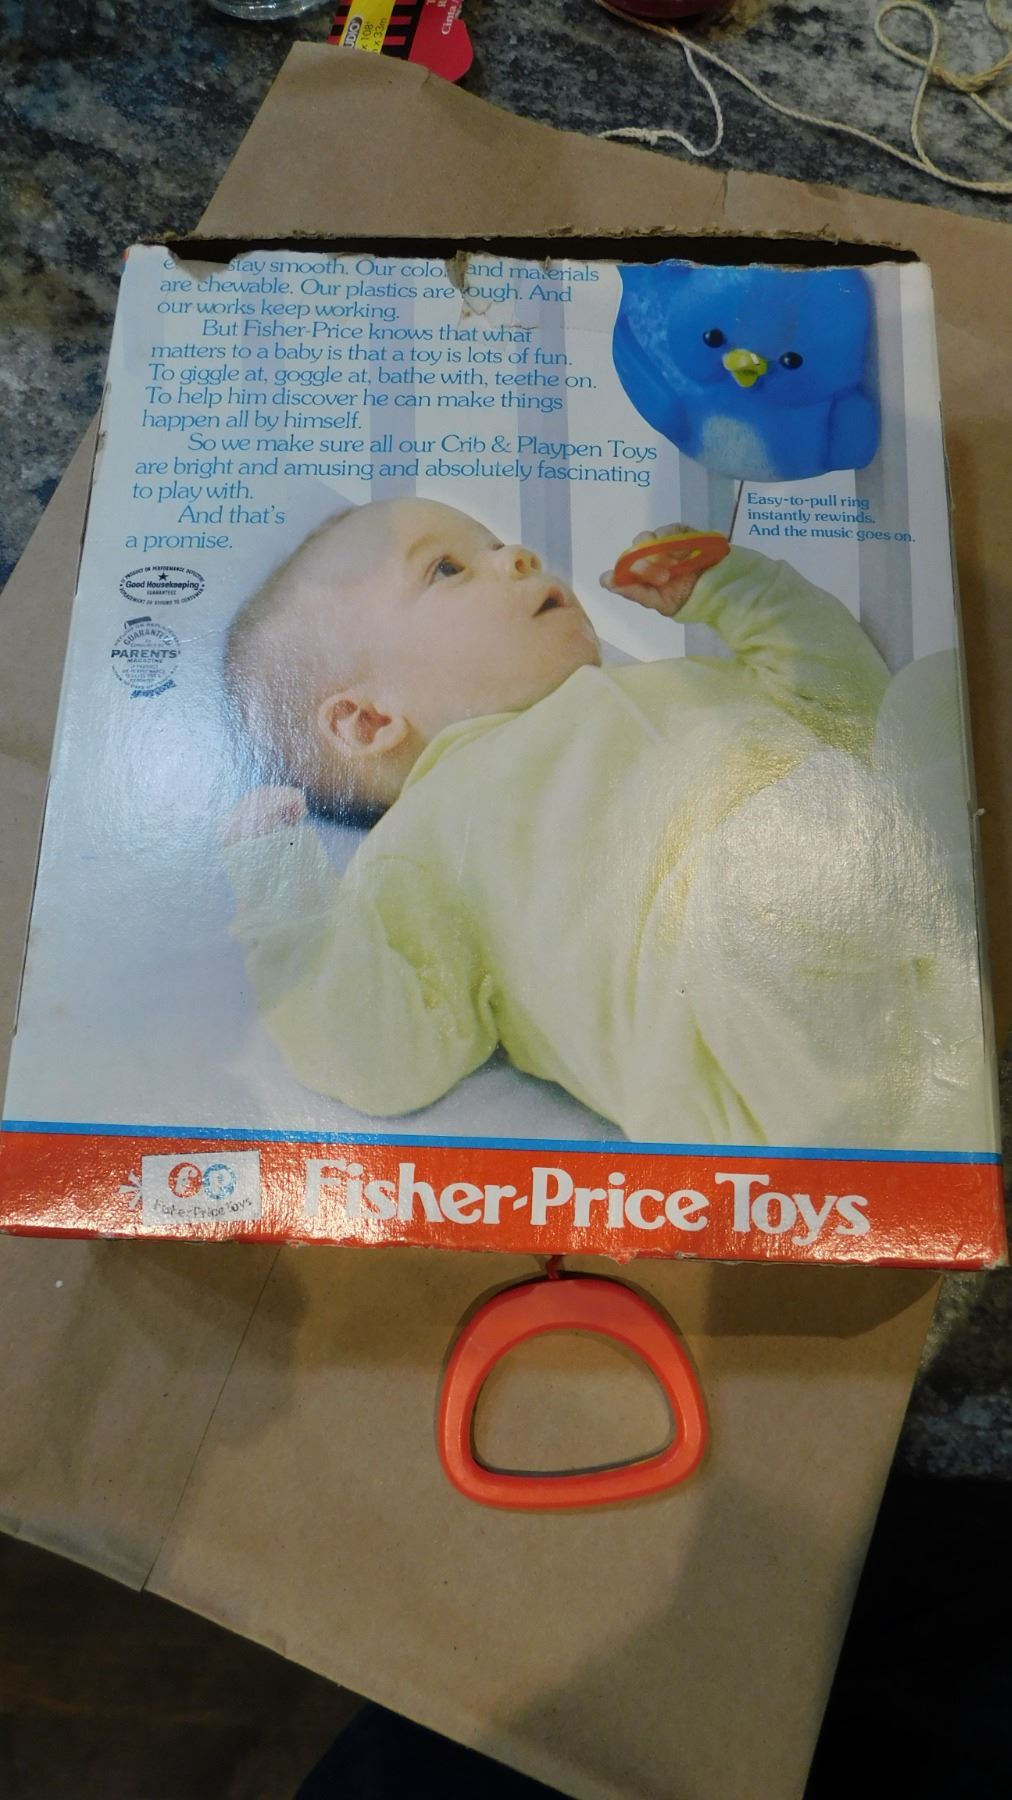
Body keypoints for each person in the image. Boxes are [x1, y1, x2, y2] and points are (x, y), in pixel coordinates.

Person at [221, 496, 988, 1152]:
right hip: (756, 1062)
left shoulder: (677, 685)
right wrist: (284, 901)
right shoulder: (425, 841)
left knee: (927, 697)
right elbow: (383, 1053)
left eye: (494, 543)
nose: (517, 556)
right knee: (775, 868)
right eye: (447, 569)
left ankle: (932, 896)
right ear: (366, 720)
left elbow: (845, 712)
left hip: (916, 989)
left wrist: (737, 591)